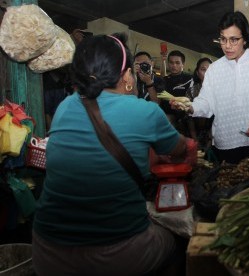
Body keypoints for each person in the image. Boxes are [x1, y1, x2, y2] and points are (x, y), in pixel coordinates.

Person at [32, 33, 187, 275]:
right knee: (176, 242)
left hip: (47, 250)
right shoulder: (145, 111)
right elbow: (181, 150)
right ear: (127, 76)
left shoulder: (65, 106)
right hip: (116, 251)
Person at [172, 11, 249, 168]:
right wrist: (189, 107)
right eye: (223, 39)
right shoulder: (215, 69)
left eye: (234, 40)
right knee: (229, 189)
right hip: (227, 143)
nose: (227, 46)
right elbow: (206, 102)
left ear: (244, 39)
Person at [161, 50, 195, 138]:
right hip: (164, 117)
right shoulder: (164, 80)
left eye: (177, 63)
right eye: (171, 62)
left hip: (184, 119)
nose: (174, 65)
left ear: (182, 64)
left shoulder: (190, 79)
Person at [187, 57, 213, 151]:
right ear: (197, 73)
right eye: (203, 69)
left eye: (210, 69)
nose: (207, 72)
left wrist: (211, 138)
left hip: (213, 132)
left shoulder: (219, 91)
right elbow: (189, 117)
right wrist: (194, 138)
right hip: (194, 130)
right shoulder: (192, 91)